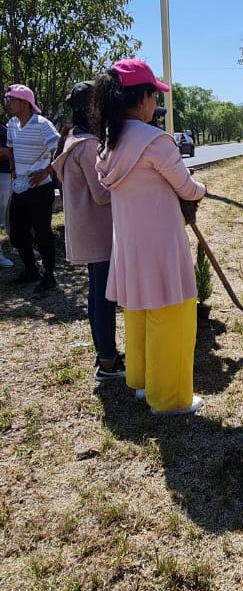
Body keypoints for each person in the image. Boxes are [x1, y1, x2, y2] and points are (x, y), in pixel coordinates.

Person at [94, 59, 207, 415]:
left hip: (129, 245)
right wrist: (202, 186)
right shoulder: (155, 141)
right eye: (153, 95)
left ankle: (143, 383)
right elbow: (187, 188)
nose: (155, 104)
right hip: (161, 243)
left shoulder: (109, 144)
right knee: (172, 317)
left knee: (140, 313)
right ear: (141, 97)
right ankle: (169, 398)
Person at [52, 82, 124, 381]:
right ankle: (108, 361)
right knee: (103, 299)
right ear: (91, 108)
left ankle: (105, 355)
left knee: (97, 295)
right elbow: (102, 193)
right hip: (98, 233)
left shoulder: (71, 140)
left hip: (86, 232)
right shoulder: (87, 145)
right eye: (101, 104)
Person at [5, 84, 60, 293]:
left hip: (39, 187)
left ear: (24, 103)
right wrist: (12, 167)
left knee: (42, 232)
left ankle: (49, 275)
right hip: (20, 186)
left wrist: (47, 171)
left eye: (11, 99)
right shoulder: (12, 124)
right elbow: (11, 147)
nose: (8, 104)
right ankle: (30, 270)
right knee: (17, 231)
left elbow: (58, 148)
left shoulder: (42, 124)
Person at [0, 113, 13, 267]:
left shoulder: (4, 124)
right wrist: (8, 152)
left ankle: (18, 245)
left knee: (9, 213)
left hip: (7, 174)